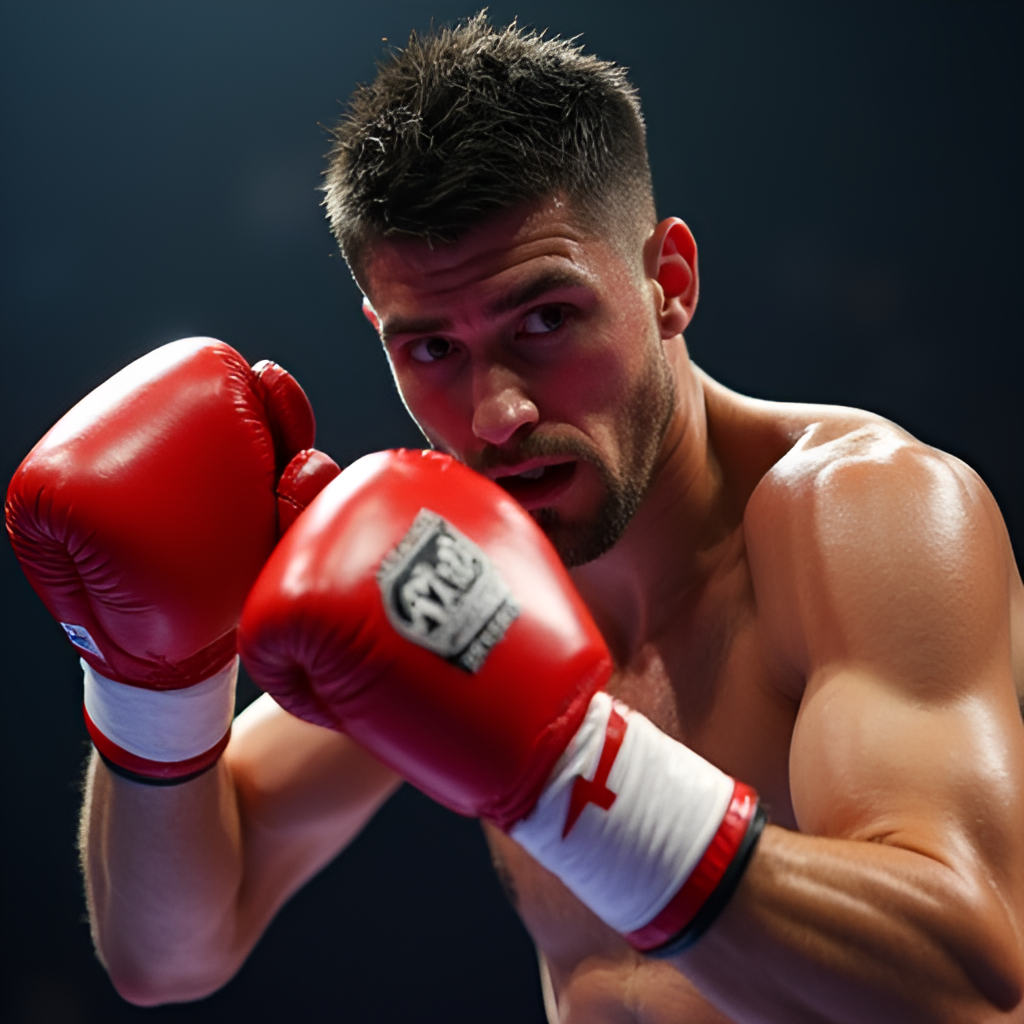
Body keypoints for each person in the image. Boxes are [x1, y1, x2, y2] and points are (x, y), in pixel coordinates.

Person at [7, 14, 1023, 1024]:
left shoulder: (861, 514)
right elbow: (170, 949)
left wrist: (566, 770)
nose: (498, 412)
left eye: (546, 319)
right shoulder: (444, 562)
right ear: (379, 333)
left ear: (666, 280)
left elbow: (965, 983)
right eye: (432, 349)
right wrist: (156, 682)